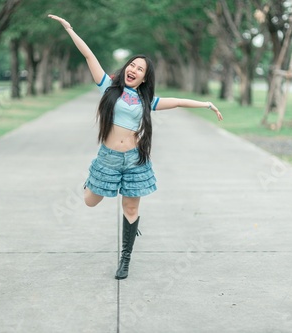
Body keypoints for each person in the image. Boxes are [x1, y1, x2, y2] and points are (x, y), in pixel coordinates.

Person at [48, 14, 223, 280]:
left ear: (144, 78)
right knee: (89, 201)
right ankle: (90, 181)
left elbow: (176, 102)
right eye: (132, 65)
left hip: (134, 160)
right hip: (107, 158)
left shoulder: (147, 100)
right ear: (125, 68)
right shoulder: (107, 86)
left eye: (140, 69)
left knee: (131, 209)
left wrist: (205, 104)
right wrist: (70, 29)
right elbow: (88, 55)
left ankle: (125, 260)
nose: (134, 70)